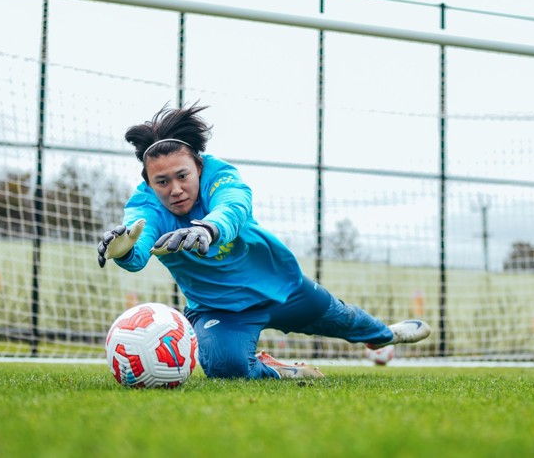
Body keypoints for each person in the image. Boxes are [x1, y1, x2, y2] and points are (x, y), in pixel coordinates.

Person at [97, 104, 431, 379]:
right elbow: (138, 249)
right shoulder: (146, 206)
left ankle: (387, 336)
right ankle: (278, 370)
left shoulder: (221, 176)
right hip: (219, 310)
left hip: (281, 288)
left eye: (182, 176)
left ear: (198, 166)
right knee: (225, 368)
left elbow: (233, 206)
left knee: (348, 321)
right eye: (162, 181)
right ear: (148, 182)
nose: (175, 189)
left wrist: (209, 229)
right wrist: (125, 251)